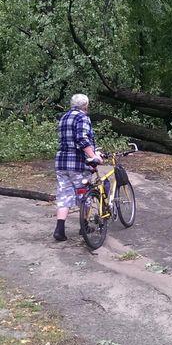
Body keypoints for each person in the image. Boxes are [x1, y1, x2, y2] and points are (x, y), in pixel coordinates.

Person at [53, 94, 103, 241]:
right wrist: (93, 156)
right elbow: (81, 139)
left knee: (64, 195)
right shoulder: (82, 117)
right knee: (84, 195)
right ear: (86, 105)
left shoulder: (64, 117)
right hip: (78, 164)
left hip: (62, 163)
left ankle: (59, 230)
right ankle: (84, 227)